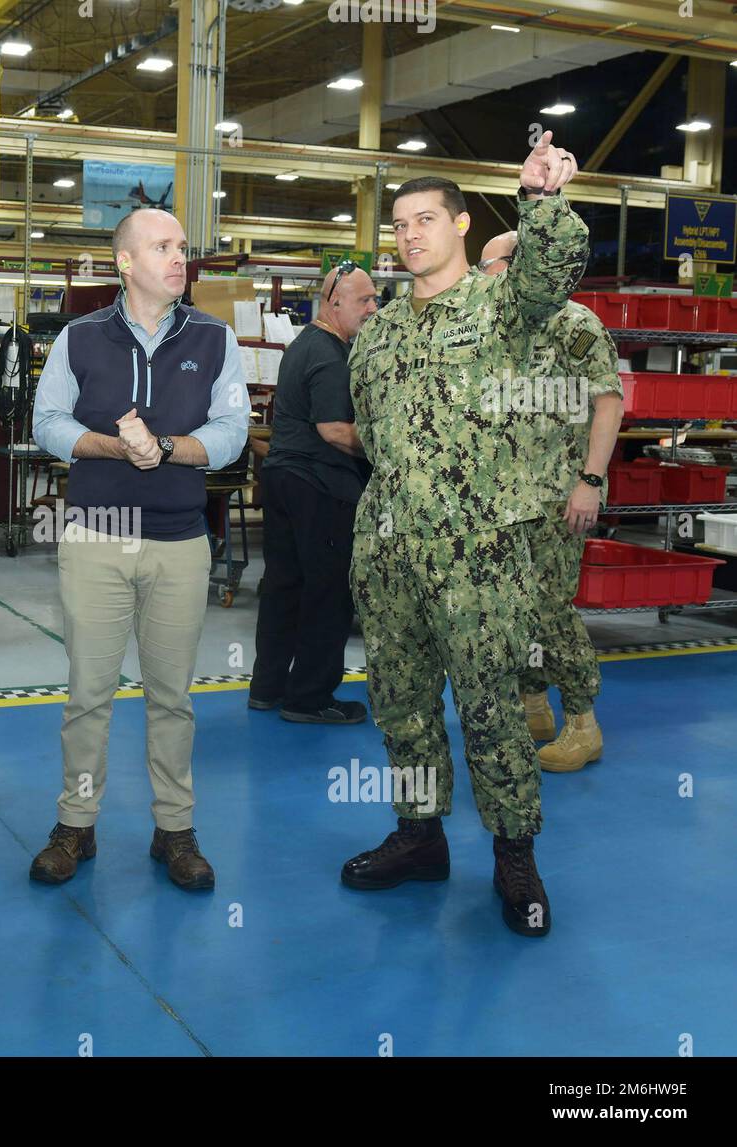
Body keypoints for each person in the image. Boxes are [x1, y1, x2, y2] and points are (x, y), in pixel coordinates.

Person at [341, 132, 588, 938]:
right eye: (400, 223)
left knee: (490, 709)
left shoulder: (502, 308)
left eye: (426, 219)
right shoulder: (374, 334)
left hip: (479, 558)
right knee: (403, 705)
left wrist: (543, 202)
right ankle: (420, 837)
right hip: (390, 556)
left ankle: (515, 855)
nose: (410, 234)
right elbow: (375, 439)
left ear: (460, 226)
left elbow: (555, 271)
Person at [30, 208, 249, 891]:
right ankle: (76, 823)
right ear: (125, 261)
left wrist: (168, 450)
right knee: (89, 693)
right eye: (162, 246)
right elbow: (48, 422)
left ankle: (174, 830)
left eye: (182, 246)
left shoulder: (215, 338)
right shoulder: (80, 337)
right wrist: (110, 444)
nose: (180, 257)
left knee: (171, 698)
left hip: (181, 543)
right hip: (97, 537)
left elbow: (233, 429)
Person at [479, 231, 624, 771]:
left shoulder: (574, 322)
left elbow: (609, 405)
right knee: (515, 610)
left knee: (550, 610)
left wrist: (591, 480)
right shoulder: (500, 327)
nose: (479, 277)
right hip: (507, 499)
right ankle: (534, 706)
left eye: (487, 265)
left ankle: (583, 723)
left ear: (521, 267)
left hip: (559, 498)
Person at [249, 261, 379, 723]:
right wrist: (387, 444)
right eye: (363, 300)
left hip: (282, 479)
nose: (372, 307)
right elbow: (334, 430)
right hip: (320, 487)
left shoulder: (302, 344)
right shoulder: (329, 355)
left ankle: (266, 687)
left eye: (373, 298)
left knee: (284, 588)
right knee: (329, 593)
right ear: (334, 302)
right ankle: (309, 698)